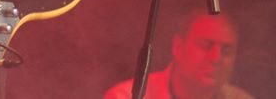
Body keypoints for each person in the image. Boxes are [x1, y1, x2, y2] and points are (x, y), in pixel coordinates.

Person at [104, 11, 255, 99]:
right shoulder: (126, 96)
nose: (216, 58)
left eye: (226, 51)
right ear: (178, 47)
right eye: (206, 45)